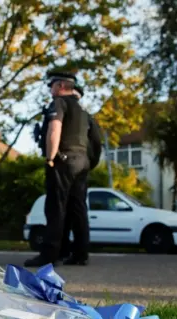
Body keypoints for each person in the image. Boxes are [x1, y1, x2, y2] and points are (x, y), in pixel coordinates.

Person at [25, 72, 90, 267]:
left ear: (61, 86)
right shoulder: (81, 109)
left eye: (52, 85)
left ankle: (50, 255)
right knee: (78, 208)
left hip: (63, 160)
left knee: (56, 207)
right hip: (81, 160)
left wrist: (50, 157)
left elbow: (55, 128)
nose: (50, 89)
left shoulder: (59, 103)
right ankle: (80, 253)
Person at [59, 84, 103, 261]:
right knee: (78, 209)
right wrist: (90, 163)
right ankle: (80, 252)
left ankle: (63, 251)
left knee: (62, 208)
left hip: (67, 161)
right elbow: (97, 142)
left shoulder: (67, 112)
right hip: (83, 164)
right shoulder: (87, 117)